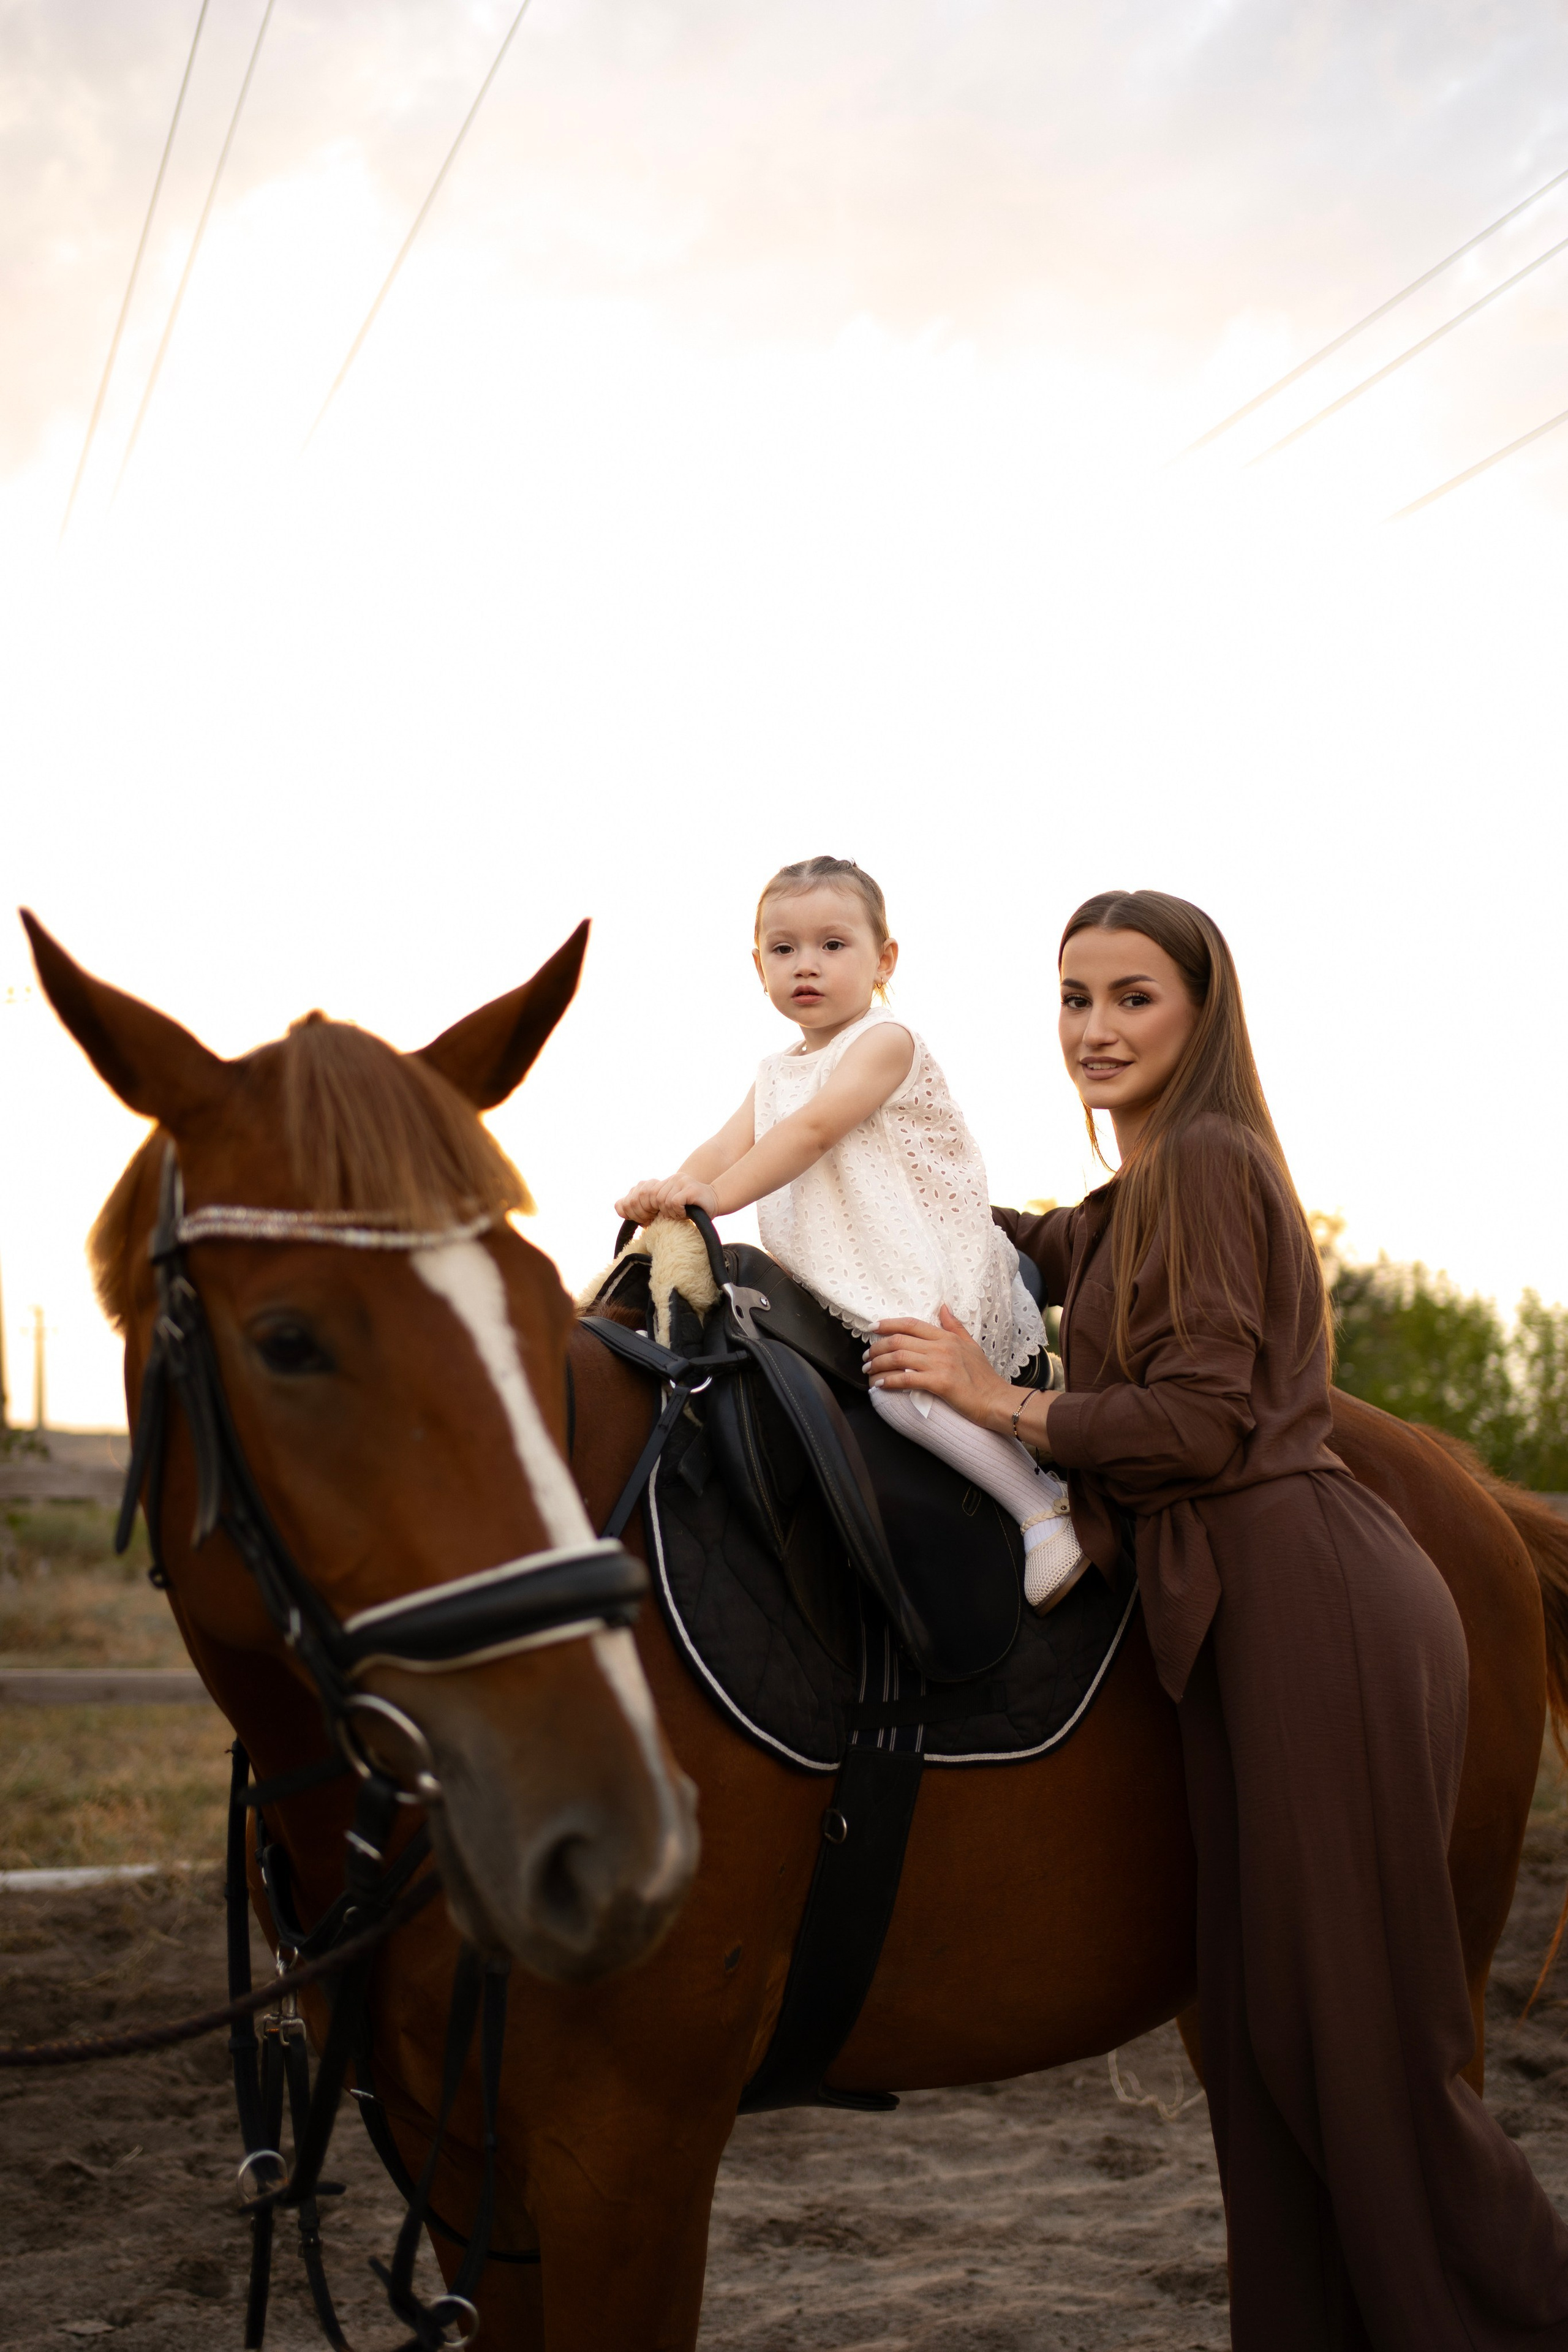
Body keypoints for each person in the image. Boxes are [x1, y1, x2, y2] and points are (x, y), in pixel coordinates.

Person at [862, 886, 1568, 2350]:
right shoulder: (1130, 1196)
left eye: (1131, 996)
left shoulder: (1211, 1162)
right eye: (1072, 996)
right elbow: (1013, 1242)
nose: (1094, 1027)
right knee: (1258, 2054)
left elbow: (1195, 1418)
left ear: (1199, 1011)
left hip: (1309, 1607)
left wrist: (995, 1398)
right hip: (1240, 1618)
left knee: (1356, 2052)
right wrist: (839, 1165)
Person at [614, 853, 1087, 1608]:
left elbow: (814, 1131)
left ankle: (1043, 1507)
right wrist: (672, 1193)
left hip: (925, 1261)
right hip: (855, 1272)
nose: (807, 965)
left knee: (903, 1390)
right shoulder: (773, 1072)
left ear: (882, 960)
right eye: (784, 948)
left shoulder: (885, 1041)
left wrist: (715, 1195)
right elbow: (722, 1147)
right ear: (759, 965)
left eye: (833, 945)